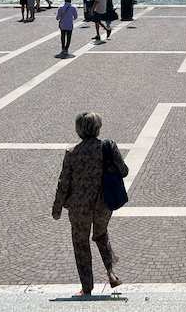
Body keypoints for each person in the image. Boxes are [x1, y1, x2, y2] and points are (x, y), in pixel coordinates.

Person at [52, 112, 126, 296]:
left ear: (79, 130)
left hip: (79, 208)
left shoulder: (72, 153)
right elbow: (123, 171)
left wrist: (57, 208)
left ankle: (87, 288)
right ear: (98, 128)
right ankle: (111, 273)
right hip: (103, 204)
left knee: (81, 244)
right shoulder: (107, 147)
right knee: (101, 235)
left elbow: (64, 183)